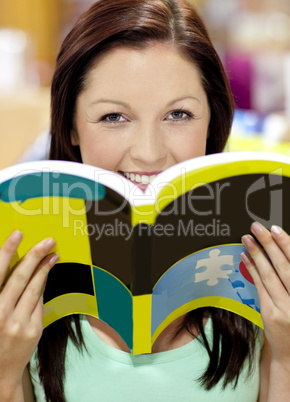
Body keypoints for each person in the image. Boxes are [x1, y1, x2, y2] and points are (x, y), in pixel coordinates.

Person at [0, 0, 289, 401]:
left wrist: (288, 356)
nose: (149, 154)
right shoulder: (19, 275)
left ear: (213, 122)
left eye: (179, 115)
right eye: (113, 117)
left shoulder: (267, 270)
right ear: (70, 127)